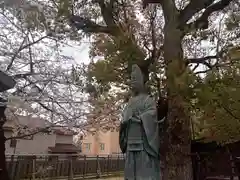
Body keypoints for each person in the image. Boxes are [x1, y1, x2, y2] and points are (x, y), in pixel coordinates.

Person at [119, 64, 161, 180]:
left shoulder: (148, 100)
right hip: (130, 143)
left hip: (144, 144)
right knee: (130, 174)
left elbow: (152, 114)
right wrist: (125, 120)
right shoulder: (130, 102)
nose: (133, 82)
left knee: (145, 174)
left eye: (135, 79)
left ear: (143, 81)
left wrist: (142, 118)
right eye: (131, 79)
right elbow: (124, 118)